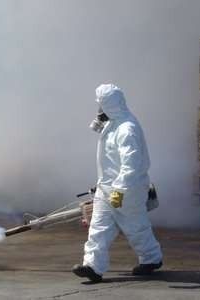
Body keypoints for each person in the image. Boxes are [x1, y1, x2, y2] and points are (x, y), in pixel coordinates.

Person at [72, 84, 163, 283]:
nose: (98, 108)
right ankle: (93, 267)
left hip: (127, 190)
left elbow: (131, 165)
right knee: (98, 228)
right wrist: (99, 119)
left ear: (109, 104)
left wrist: (118, 192)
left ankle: (151, 259)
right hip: (106, 188)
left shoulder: (127, 129)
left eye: (101, 105)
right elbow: (99, 131)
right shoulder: (113, 122)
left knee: (135, 227)